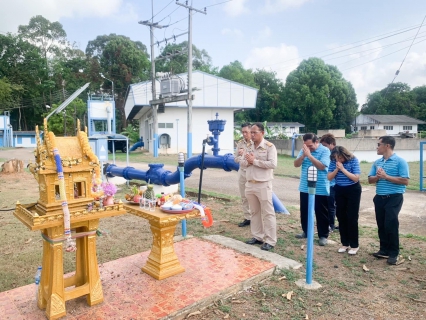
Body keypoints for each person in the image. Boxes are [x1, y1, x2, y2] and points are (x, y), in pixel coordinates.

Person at [368, 136, 409, 265]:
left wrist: (386, 176)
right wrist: (378, 177)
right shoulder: (377, 162)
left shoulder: (400, 161)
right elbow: (370, 180)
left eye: (379, 144)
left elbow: (405, 180)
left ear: (387, 145)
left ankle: (393, 253)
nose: (377, 147)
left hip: (394, 197)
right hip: (379, 197)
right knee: (381, 225)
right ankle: (384, 250)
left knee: (391, 224)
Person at [241, 122, 277, 251]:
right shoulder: (249, 146)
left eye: (254, 132)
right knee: (254, 212)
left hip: (263, 184)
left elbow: (273, 164)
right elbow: (242, 163)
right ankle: (257, 236)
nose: (251, 135)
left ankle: (270, 240)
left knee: (268, 213)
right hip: (250, 184)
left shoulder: (269, 147)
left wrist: (254, 161)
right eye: (251, 132)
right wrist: (247, 161)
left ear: (262, 133)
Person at [294, 133, 330, 246]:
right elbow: (296, 164)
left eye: (310, 145)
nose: (308, 148)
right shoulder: (304, 150)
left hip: (320, 187)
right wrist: (303, 156)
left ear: (317, 142)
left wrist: (309, 155)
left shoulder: (325, 151)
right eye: (306, 145)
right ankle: (306, 231)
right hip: (305, 186)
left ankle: (323, 235)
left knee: (321, 212)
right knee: (305, 211)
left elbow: (322, 166)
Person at [327, 146, 362, 255]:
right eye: (336, 158)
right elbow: (329, 177)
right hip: (339, 189)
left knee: (352, 217)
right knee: (341, 216)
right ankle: (345, 243)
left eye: (340, 158)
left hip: (353, 190)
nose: (338, 160)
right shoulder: (334, 162)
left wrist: (342, 169)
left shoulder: (354, 160)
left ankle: (354, 245)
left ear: (344, 155)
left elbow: (356, 178)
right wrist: (337, 169)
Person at [234, 123, 253, 227]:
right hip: (242, 171)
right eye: (243, 132)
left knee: (253, 196)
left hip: (252, 171)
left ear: (251, 132)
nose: (244, 134)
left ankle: (255, 217)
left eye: (247, 132)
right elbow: (235, 159)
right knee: (243, 196)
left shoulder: (255, 143)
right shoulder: (240, 143)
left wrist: (245, 153)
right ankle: (247, 217)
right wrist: (240, 156)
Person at [320, 133, 337, 232]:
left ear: (332, 144)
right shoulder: (325, 153)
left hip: (333, 184)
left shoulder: (337, 154)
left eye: (325, 146)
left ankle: (331, 225)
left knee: (331, 205)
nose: (324, 148)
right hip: (326, 183)